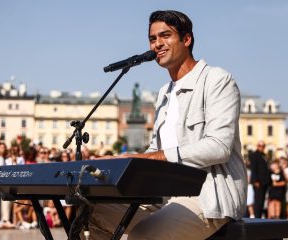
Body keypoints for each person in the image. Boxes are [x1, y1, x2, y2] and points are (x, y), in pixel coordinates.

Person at [87, 10, 247, 239]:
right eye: (152, 39)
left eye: (165, 35)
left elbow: (218, 147)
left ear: (187, 39)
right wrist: (121, 161)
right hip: (163, 194)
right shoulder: (163, 93)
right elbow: (155, 150)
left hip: (206, 196)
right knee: (92, 214)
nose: (157, 44)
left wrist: (147, 158)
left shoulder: (217, 80)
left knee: (143, 235)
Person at [249, 141, 271, 218]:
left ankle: (260, 216)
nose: (261, 147)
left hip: (265, 182)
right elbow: (253, 169)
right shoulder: (254, 155)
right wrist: (255, 181)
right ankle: (257, 217)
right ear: (257, 146)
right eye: (260, 146)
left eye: (263, 146)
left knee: (262, 201)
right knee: (258, 201)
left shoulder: (264, 155)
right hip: (258, 182)